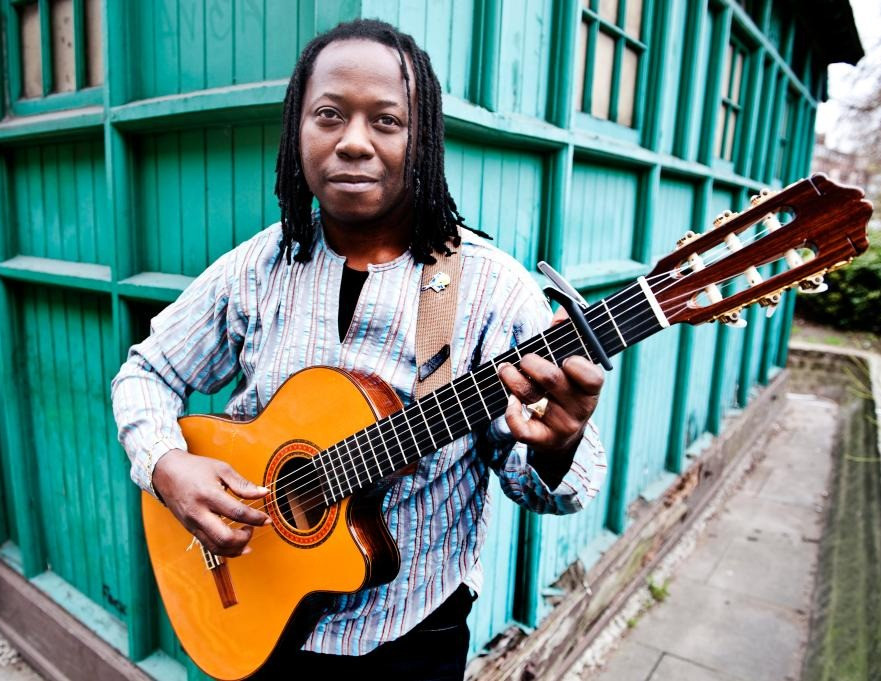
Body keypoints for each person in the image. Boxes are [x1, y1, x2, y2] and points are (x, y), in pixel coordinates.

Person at [111, 18, 607, 679]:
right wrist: (167, 464)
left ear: (422, 140)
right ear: (298, 130)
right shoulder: (256, 267)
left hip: (411, 639)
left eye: (386, 121)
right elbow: (146, 370)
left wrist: (557, 444)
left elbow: (550, 486)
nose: (352, 142)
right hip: (257, 611)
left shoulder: (489, 289)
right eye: (328, 115)